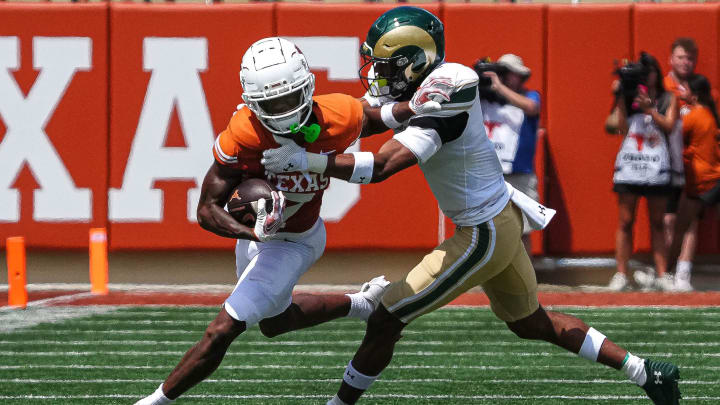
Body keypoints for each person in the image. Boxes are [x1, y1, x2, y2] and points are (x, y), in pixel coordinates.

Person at [261, 7, 681, 405]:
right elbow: (371, 117)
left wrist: (308, 161)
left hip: (483, 231)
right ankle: (647, 372)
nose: (378, 74)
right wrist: (308, 129)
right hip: (500, 218)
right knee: (532, 323)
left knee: (386, 317)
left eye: (386, 66)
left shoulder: (453, 86)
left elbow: (386, 164)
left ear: (413, 62)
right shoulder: (430, 82)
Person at [132, 36, 445, 405]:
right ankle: (361, 304)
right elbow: (206, 209)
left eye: (288, 98)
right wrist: (250, 231)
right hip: (259, 238)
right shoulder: (244, 132)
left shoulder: (336, 114)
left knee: (222, 330)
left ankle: (152, 402)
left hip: (297, 241)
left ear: (308, 87)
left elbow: (378, 119)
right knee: (274, 323)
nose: (282, 110)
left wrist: (419, 106)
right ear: (253, 103)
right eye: (270, 103)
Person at [606, 52, 678, 292]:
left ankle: (662, 274)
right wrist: (620, 96)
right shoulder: (627, 98)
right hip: (631, 166)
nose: (646, 77)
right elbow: (619, 128)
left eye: (649, 72)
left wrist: (650, 110)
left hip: (657, 166)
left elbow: (669, 126)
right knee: (625, 221)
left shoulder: (668, 98)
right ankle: (621, 273)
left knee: (658, 222)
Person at [477, 53, 541, 256]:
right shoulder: (482, 99)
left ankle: (527, 276)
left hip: (519, 172)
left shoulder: (529, 96)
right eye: (506, 74)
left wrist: (500, 88)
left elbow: (532, 108)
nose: (512, 78)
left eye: (515, 75)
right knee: (485, 226)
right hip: (487, 173)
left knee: (522, 226)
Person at [667, 74, 720, 285]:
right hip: (711, 178)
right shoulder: (707, 113)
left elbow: (669, 128)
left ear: (695, 96)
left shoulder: (695, 115)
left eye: (685, 88)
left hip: (704, 181)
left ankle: (670, 273)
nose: (680, 91)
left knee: (681, 227)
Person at [663, 37, 700, 291]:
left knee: (692, 218)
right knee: (667, 219)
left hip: (695, 164)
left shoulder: (701, 88)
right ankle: (665, 270)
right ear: (670, 59)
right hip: (665, 163)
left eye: (689, 58)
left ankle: (683, 272)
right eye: (680, 57)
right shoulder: (663, 88)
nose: (684, 63)